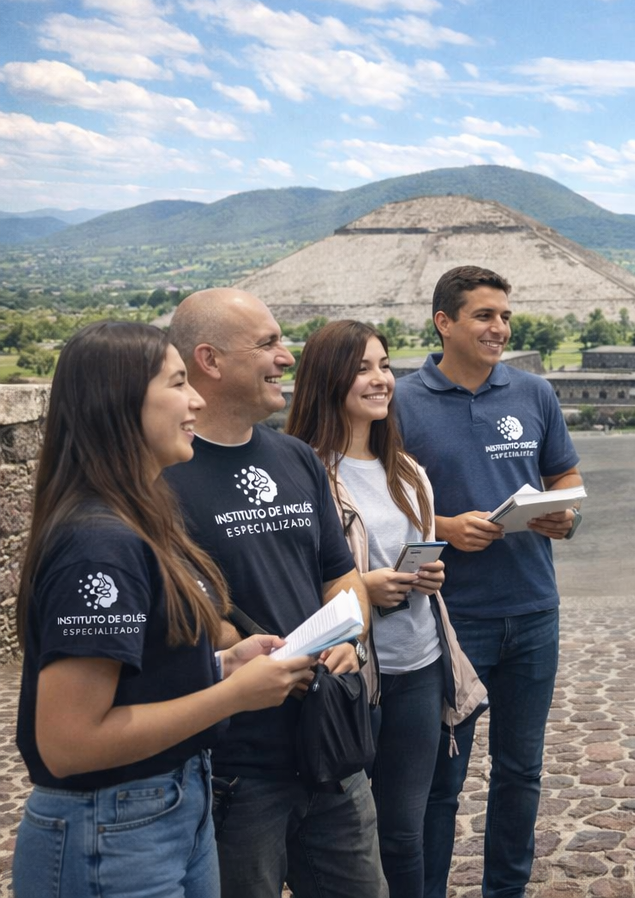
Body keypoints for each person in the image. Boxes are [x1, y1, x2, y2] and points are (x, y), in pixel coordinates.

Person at [12, 321, 315, 898]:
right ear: (121, 403)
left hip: (170, 806)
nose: (196, 398)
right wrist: (233, 695)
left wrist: (224, 666)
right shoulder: (98, 545)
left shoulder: (143, 519)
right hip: (113, 828)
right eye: (178, 383)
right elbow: (70, 741)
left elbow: (139, 678)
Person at [163, 289, 386, 898]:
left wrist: (351, 638)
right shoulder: (160, 476)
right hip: (238, 767)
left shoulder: (295, 458)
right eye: (267, 344)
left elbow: (340, 578)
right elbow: (174, 611)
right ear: (209, 359)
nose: (286, 358)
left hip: (329, 746)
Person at [392, 266, 582, 898]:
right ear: (444, 323)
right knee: (442, 779)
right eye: (483, 315)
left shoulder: (533, 393)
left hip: (533, 609)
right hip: (450, 618)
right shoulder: (400, 402)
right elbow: (372, 498)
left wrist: (563, 517)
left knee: (521, 770)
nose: (499, 327)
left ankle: (508, 889)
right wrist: (444, 524)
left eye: (504, 315)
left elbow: (564, 480)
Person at [286, 319, 487, 898]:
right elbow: (298, 582)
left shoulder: (406, 471)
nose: (380, 380)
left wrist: (429, 573)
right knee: (350, 832)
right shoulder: (307, 474)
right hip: (354, 675)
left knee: (406, 830)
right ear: (327, 379)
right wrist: (363, 589)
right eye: (362, 368)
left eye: (384, 366)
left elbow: (417, 547)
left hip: (420, 666)